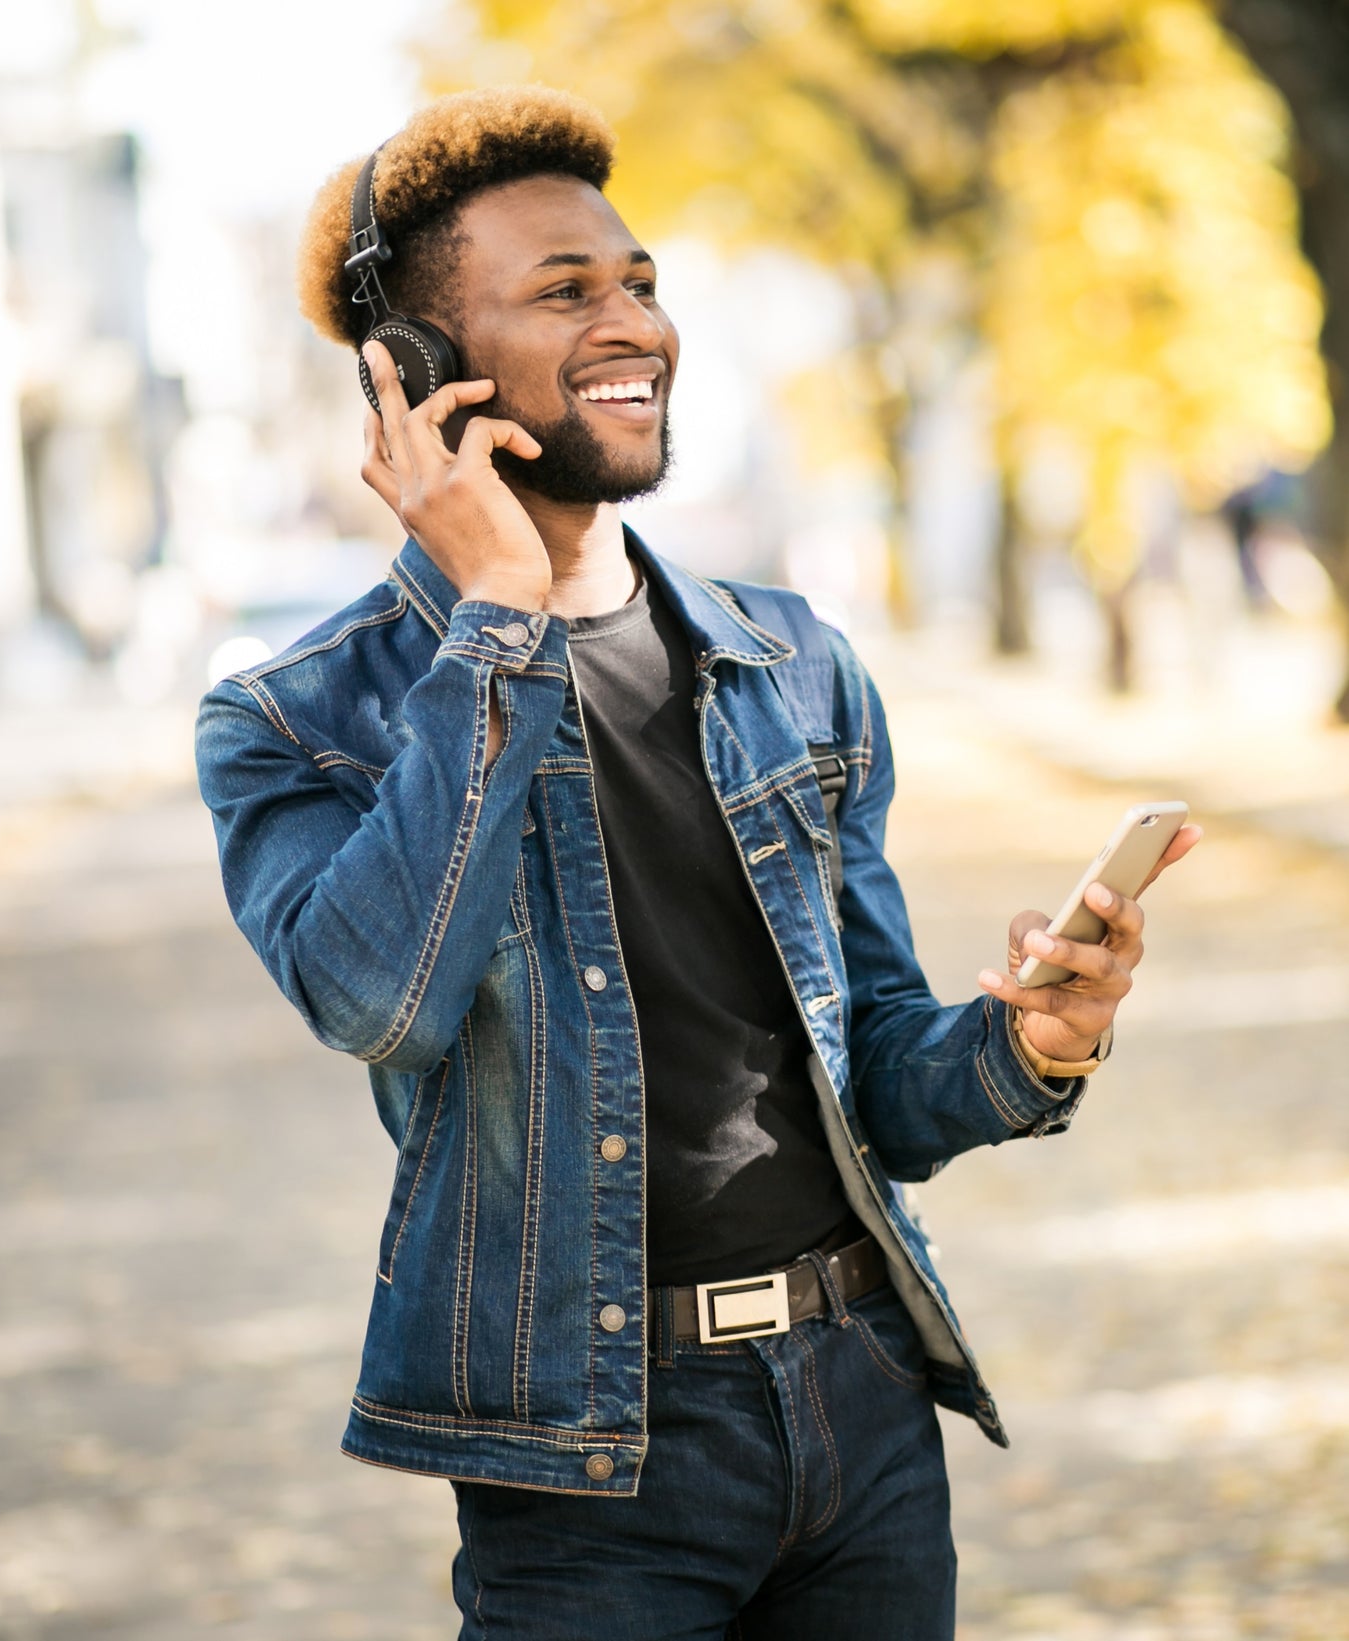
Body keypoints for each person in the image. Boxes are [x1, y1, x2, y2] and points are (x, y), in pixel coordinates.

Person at [195, 87, 1198, 1640]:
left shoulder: (786, 659)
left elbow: (873, 1073)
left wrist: (1025, 1039)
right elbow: (376, 997)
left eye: (641, 282)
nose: (634, 324)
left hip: (861, 1398)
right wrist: (499, 627)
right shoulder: (295, 717)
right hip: (590, 1461)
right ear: (412, 376)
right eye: (565, 291)